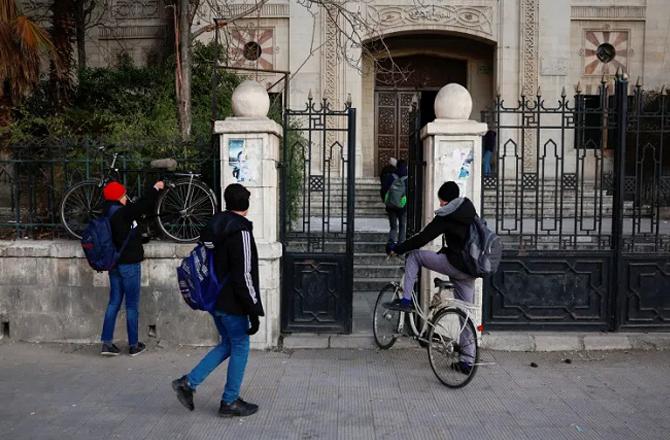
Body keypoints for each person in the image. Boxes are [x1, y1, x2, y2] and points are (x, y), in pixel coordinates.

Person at [172, 183, 264, 418]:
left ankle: (188, 383)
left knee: (228, 344)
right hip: (232, 301)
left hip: (214, 298)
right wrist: (253, 309)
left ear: (227, 202)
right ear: (246, 204)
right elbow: (243, 273)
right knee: (241, 345)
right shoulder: (240, 231)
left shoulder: (214, 225)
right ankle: (230, 401)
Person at [385, 181, 476, 372]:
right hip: (471, 268)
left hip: (455, 263)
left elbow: (422, 238)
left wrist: (398, 248)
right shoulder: (469, 210)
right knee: (465, 315)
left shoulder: (447, 214)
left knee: (415, 256)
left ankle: (406, 301)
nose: (440, 204)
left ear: (444, 200)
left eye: (441, 200)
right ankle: (467, 360)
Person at [100, 179, 164, 357]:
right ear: (118, 197)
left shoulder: (106, 213)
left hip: (114, 264)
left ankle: (106, 343)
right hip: (129, 264)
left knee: (113, 302)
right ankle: (134, 345)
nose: (125, 198)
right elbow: (143, 204)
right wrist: (155, 188)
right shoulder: (123, 213)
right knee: (131, 305)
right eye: (123, 195)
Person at [382, 159, 408, 253]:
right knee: (402, 225)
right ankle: (401, 245)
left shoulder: (391, 176)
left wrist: (386, 202)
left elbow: (384, 189)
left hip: (391, 206)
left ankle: (391, 245)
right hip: (402, 206)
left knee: (393, 227)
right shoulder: (407, 178)